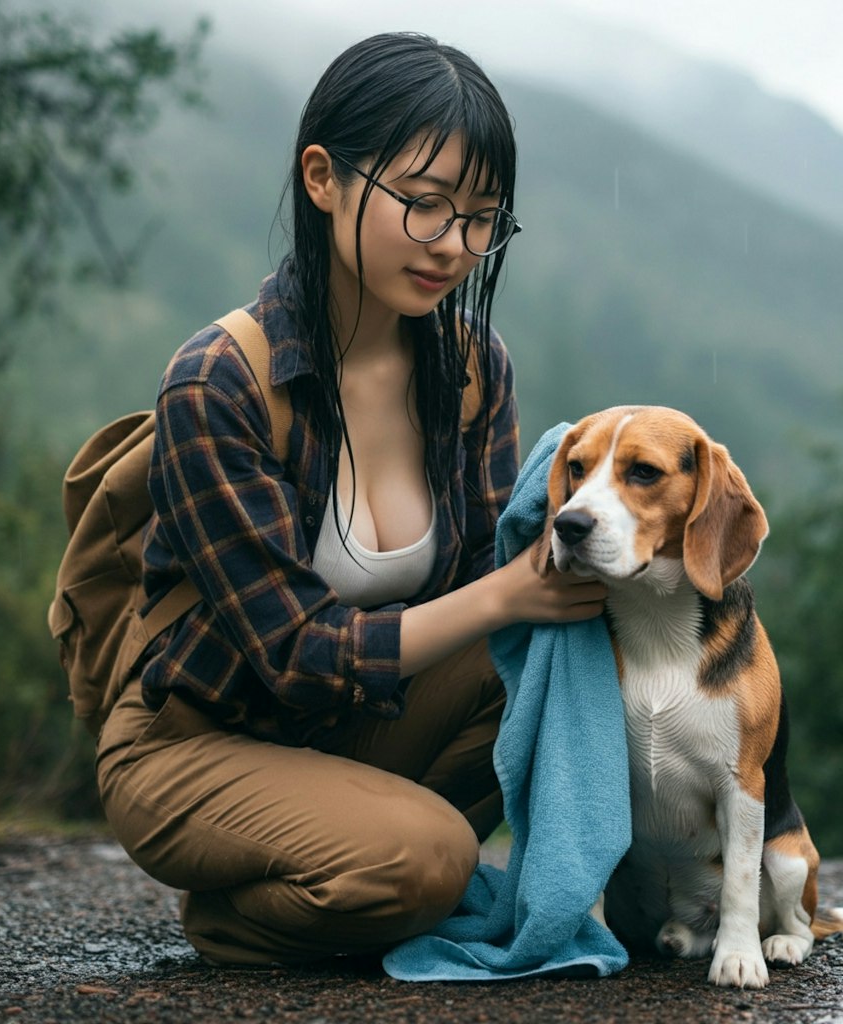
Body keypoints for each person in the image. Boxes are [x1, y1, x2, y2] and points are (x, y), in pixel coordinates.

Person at [96, 31, 607, 967]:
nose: (454, 247)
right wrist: (503, 595)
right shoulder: (219, 382)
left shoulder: (471, 372)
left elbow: (482, 586)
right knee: (431, 859)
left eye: (482, 217)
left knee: (561, 646)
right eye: (423, 205)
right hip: (198, 739)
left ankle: (359, 867)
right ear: (323, 178)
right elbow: (294, 654)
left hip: (351, 729)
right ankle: (264, 910)